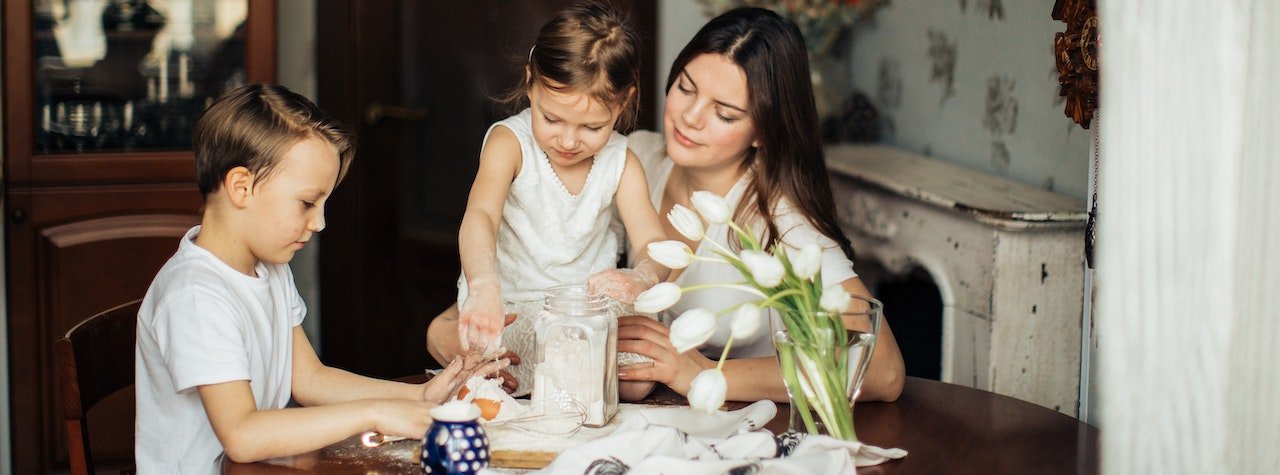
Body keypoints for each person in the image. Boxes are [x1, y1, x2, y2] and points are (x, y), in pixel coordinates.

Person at [135, 84, 507, 473]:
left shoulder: (268, 269)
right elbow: (242, 436)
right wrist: (375, 414)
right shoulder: (195, 296)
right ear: (241, 187)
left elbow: (310, 380)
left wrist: (420, 395)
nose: (319, 223)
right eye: (307, 203)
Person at [615, 7, 906, 403]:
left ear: (762, 133)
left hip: (749, 425)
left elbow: (884, 371)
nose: (690, 117)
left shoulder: (779, 220)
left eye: (724, 113)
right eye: (685, 88)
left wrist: (703, 373)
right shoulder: (636, 160)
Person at [425, 1, 671, 396]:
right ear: (530, 84)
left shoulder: (622, 161)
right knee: (503, 365)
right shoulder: (510, 143)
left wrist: (641, 277)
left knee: (637, 381)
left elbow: (655, 244)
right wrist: (483, 284)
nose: (569, 141)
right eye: (552, 119)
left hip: (585, 309)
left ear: (624, 102)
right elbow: (481, 215)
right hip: (514, 303)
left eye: (592, 127)